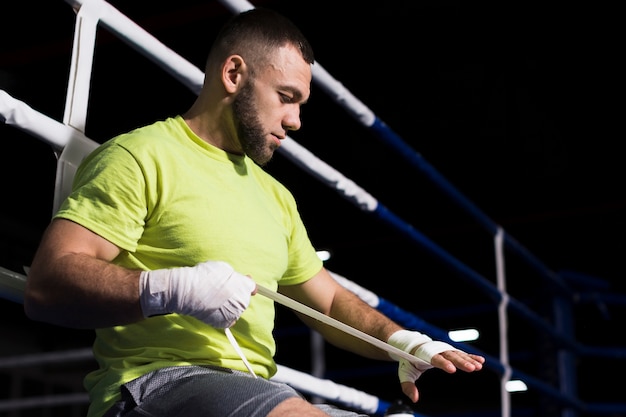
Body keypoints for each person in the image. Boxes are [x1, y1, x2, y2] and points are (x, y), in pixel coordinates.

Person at [23, 7, 485, 417]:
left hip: (256, 391)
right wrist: (171, 288)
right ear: (233, 74)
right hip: (155, 384)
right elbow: (47, 284)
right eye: (286, 97)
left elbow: (328, 302)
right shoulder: (140, 156)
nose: (296, 121)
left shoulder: (276, 196)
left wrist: (398, 341)